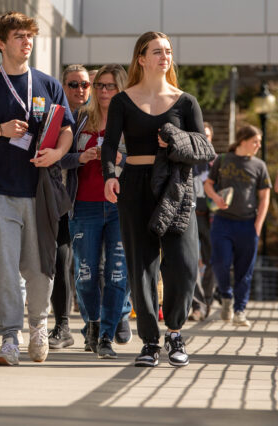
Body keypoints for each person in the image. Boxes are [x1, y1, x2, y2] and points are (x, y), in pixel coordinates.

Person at [0, 11, 74, 366]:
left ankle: (38, 324)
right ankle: (10, 337)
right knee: (4, 267)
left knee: (39, 267)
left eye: (30, 36)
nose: (27, 42)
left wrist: (58, 152)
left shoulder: (49, 84)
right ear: (1, 43)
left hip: (40, 192)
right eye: (19, 36)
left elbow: (66, 128)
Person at [103, 31, 212, 368]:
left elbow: (204, 149)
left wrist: (176, 142)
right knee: (141, 264)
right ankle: (150, 341)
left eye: (168, 51)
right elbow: (109, 145)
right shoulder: (123, 100)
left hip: (176, 187)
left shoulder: (186, 101)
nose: (165, 56)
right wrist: (110, 175)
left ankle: (175, 332)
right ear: (141, 58)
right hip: (134, 183)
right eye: (157, 51)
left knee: (183, 262)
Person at [62, 64, 129, 359]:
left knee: (116, 273)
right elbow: (59, 158)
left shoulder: (131, 120)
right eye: (99, 85)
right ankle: (92, 322)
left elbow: (149, 158)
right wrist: (81, 157)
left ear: (122, 88)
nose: (103, 91)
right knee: (86, 274)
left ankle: (105, 335)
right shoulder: (78, 118)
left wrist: (123, 158)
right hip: (85, 206)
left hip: (120, 208)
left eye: (110, 86)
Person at [205, 124, 271, 327]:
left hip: (248, 224)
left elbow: (264, 197)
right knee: (219, 263)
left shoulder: (259, 166)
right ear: (243, 141)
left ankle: (240, 310)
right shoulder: (223, 159)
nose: (259, 145)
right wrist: (216, 198)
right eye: (255, 141)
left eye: (259, 141)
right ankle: (226, 295)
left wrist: (258, 225)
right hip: (222, 222)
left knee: (245, 270)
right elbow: (208, 184)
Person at [46, 64, 90, 350]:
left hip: (91, 201)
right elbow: (52, 156)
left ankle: (97, 325)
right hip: (61, 201)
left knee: (92, 265)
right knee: (60, 263)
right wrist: (80, 158)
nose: (80, 90)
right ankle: (62, 324)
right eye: (73, 84)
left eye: (85, 84)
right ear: (63, 87)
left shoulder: (99, 118)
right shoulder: (55, 116)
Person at [189, 122, 217, 321]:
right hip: (190, 215)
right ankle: (196, 306)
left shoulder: (217, 162)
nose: (204, 138)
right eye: (201, 134)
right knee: (189, 262)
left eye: (207, 135)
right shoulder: (188, 158)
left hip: (211, 218)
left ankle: (207, 299)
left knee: (212, 262)